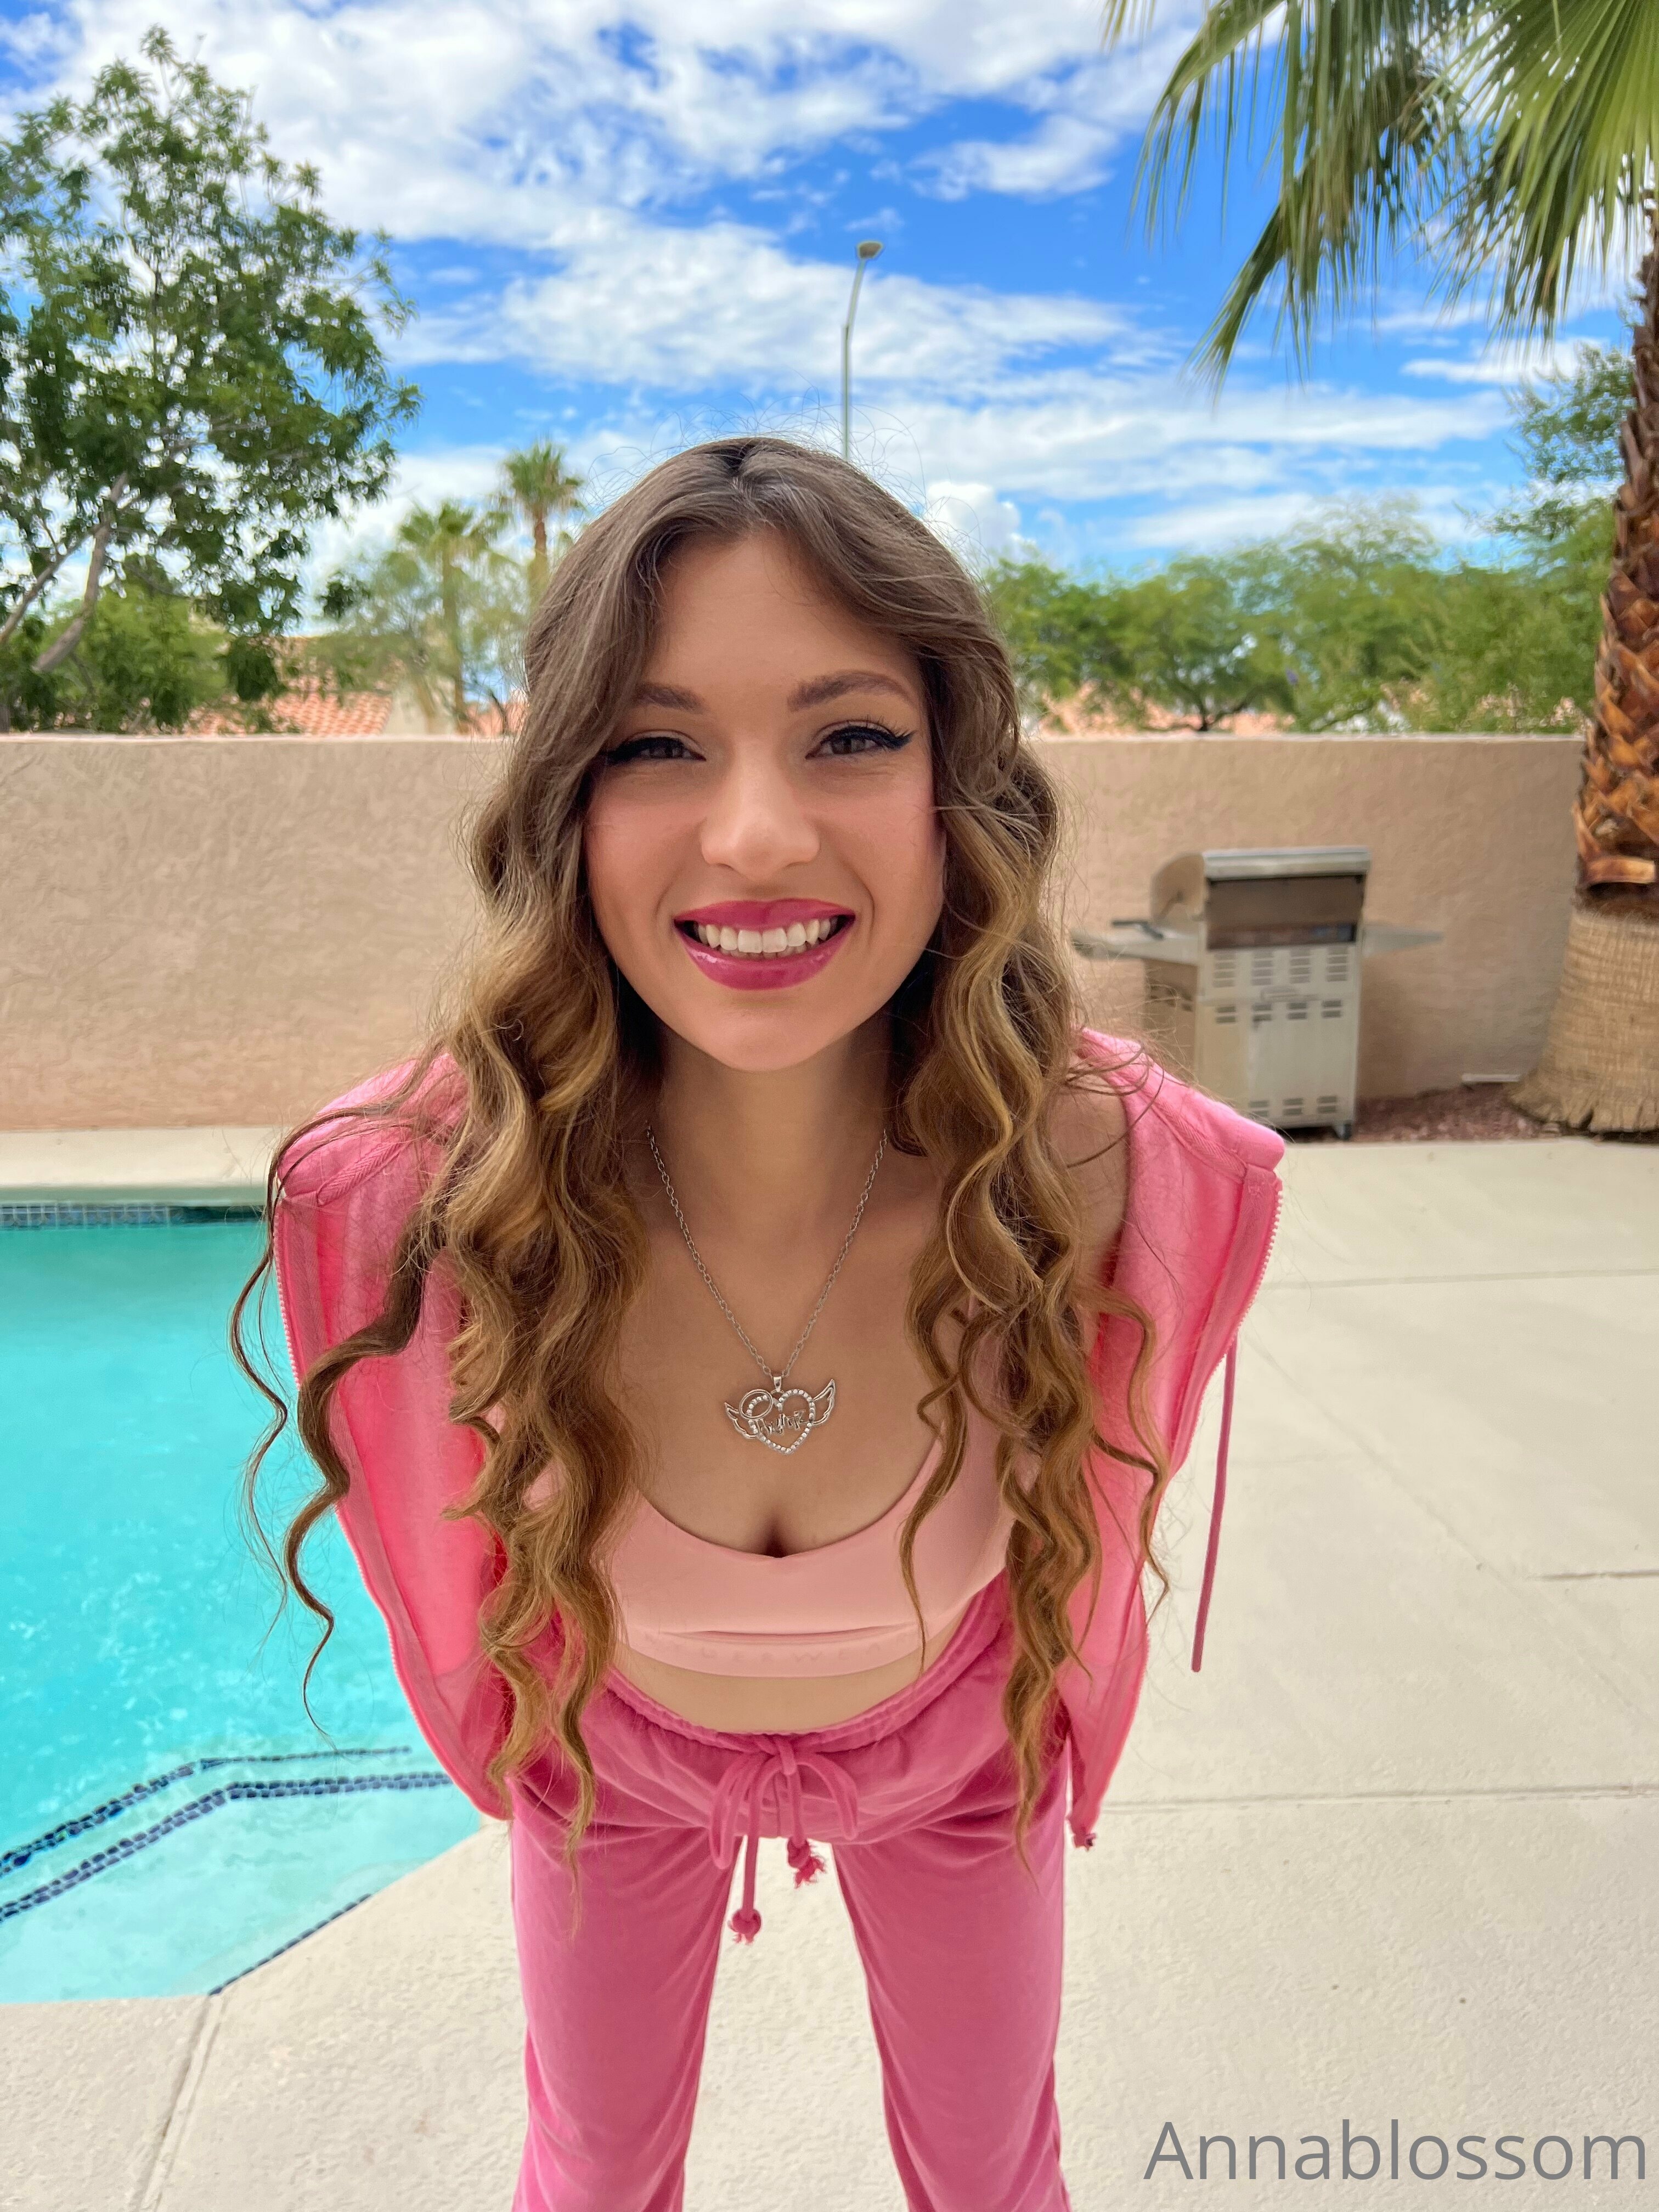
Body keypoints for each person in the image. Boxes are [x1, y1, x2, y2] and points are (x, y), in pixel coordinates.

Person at [236, 436, 1284, 2212]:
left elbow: (1110, 1504)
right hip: (607, 1760)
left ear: (955, 786)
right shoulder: (433, 1200)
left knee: (996, 2173)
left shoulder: (1112, 1175)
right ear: (567, 805)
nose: (757, 836)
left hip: (962, 1757)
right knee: (591, 2172)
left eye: (850, 736)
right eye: (656, 746)